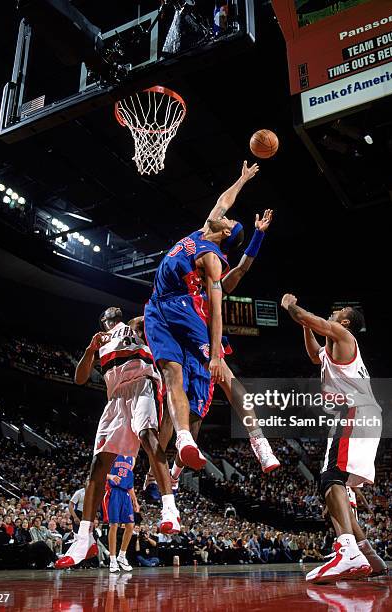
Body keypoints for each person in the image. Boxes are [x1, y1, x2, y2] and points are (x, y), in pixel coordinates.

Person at [144, 162, 278, 487]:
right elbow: (224, 200)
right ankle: (164, 473)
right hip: (175, 314)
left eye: (230, 220)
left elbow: (231, 287)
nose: (226, 214)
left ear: (226, 233)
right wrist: (243, 178)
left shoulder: (213, 259)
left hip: (197, 318)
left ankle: (258, 441)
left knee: (214, 393)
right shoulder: (204, 230)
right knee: (179, 403)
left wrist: (257, 237)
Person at [56, 307, 179, 569]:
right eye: (107, 313)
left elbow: (154, 315)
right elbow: (79, 379)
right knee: (98, 465)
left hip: (142, 384)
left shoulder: (132, 325)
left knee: (148, 435)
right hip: (116, 398)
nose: (112, 310)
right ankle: (84, 537)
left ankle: (169, 507)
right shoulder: (100, 341)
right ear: (103, 320)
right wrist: (90, 350)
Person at [281, 297, 384, 583]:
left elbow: (307, 316)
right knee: (337, 485)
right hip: (361, 413)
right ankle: (368, 556)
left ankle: (348, 552)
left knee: (330, 479)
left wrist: (290, 306)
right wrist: (304, 327)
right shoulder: (332, 348)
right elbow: (315, 355)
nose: (334, 311)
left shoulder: (343, 334)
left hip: (353, 411)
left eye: (339, 312)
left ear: (346, 321)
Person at [102, 454, 139, 573]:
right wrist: (111, 476)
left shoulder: (132, 458)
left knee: (130, 525)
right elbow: (99, 473)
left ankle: (122, 556)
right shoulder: (113, 454)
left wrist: (135, 500)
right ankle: (112, 559)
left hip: (126, 494)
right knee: (114, 525)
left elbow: (130, 484)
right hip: (114, 492)